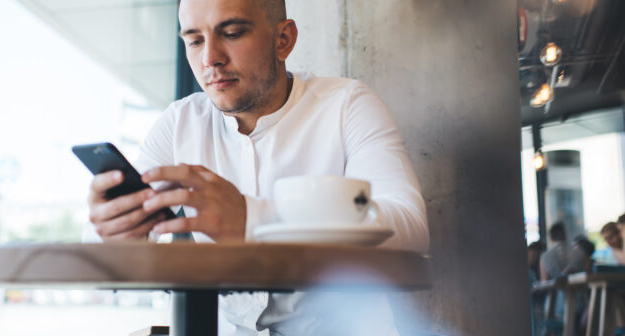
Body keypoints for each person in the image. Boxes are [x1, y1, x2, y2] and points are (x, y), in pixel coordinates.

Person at [83, 0, 428, 334]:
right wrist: (115, 229)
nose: (210, 59)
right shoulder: (180, 122)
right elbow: (104, 246)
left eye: (232, 32)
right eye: (194, 40)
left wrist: (254, 219)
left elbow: (411, 226)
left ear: (283, 40)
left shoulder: (347, 106)